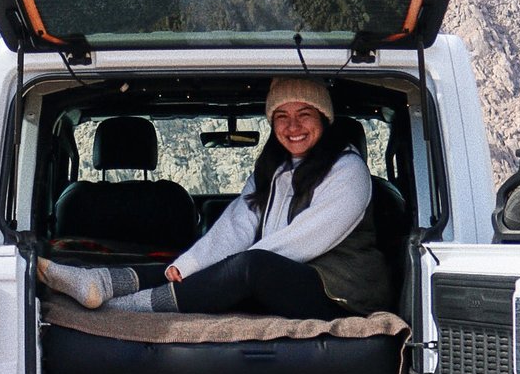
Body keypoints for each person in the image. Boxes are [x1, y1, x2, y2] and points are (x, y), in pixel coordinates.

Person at [38, 77, 392, 320]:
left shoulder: (348, 169)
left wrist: (232, 271)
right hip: (290, 282)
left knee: (251, 266)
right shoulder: (274, 168)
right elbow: (236, 225)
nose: (292, 127)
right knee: (187, 266)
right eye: (281, 117)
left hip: (341, 296)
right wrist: (190, 265)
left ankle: (125, 308)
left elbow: (307, 237)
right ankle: (100, 282)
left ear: (324, 118)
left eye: (304, 115)